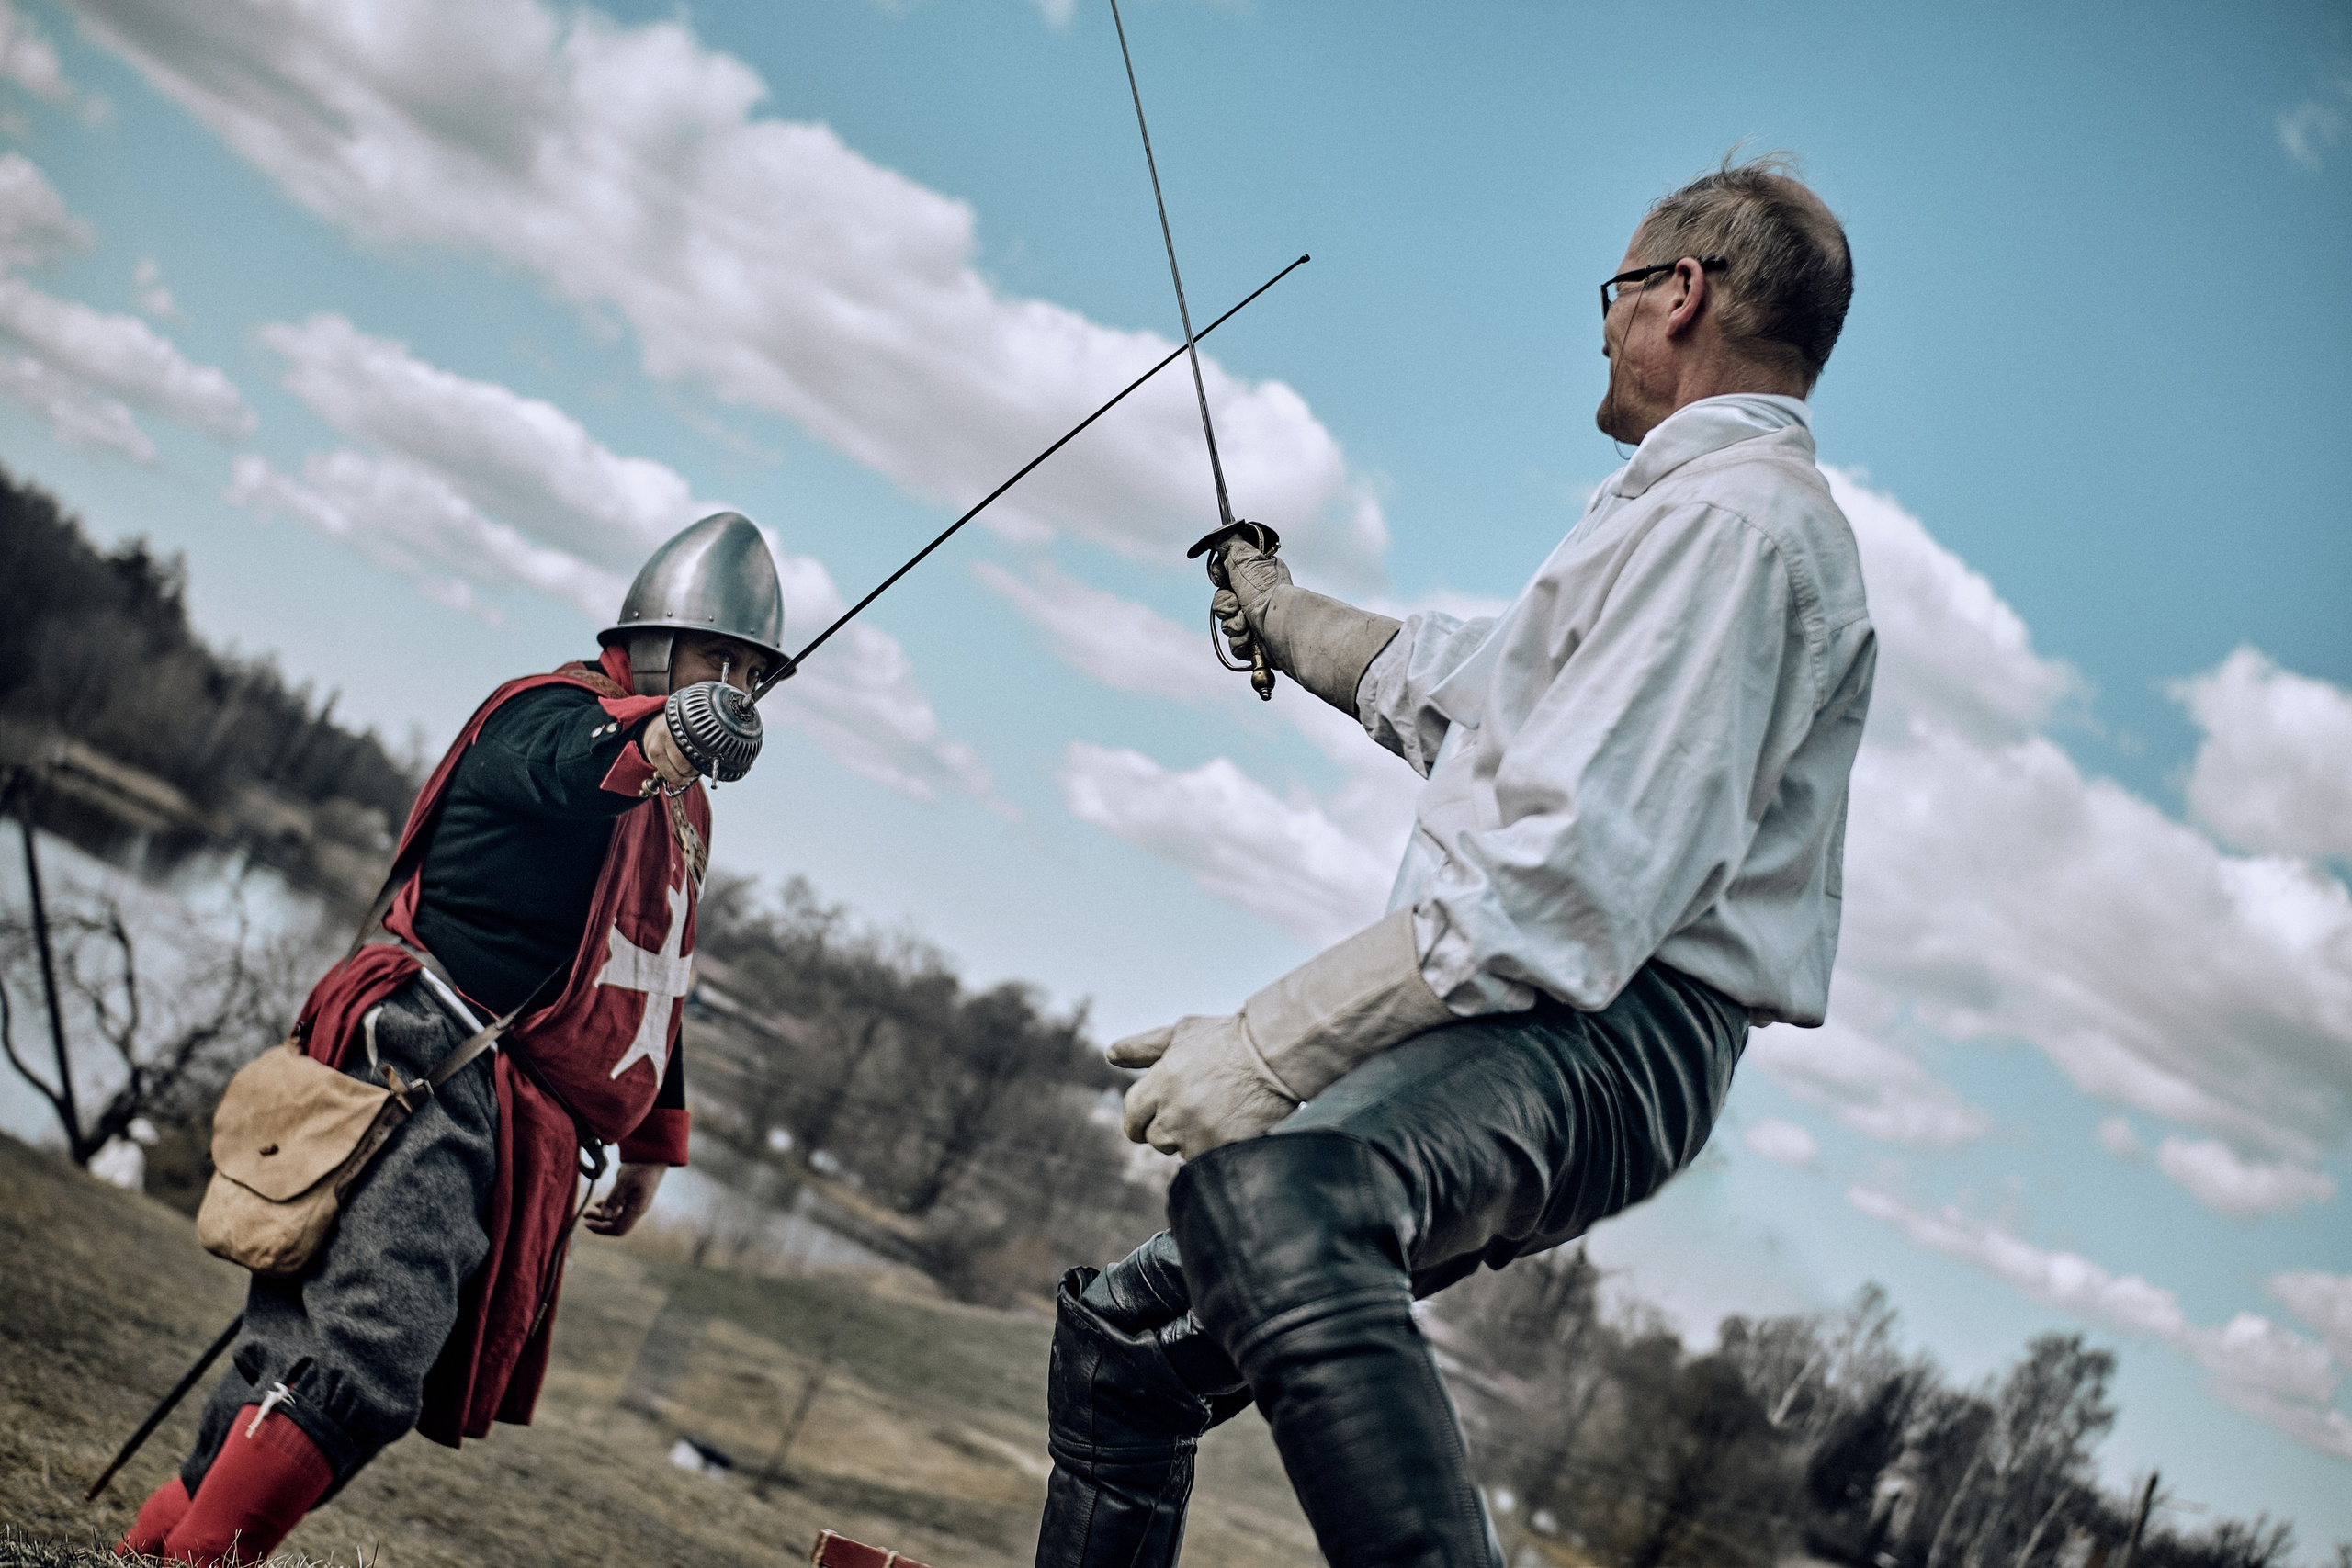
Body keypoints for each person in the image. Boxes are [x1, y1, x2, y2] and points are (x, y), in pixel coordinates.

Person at [1033, 155, 1873, 1568]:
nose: (1601, 326)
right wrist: (1274, 602)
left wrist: (1271, 1043)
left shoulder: (1734, 528)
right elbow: (1454, 689)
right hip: (1538, 1011)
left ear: (1680, 294)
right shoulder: (1680, 522)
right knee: (1129, 1350)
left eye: (1614, 292)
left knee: (1280, 1198)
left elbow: (1563, 884)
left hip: (1609, 1026)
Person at [116, 513, 786, 1565]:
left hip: (517, 1105)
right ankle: (200, 1555)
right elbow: (573, 767)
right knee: (369, 1348)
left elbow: (649, 973)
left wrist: (653, 1139)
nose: (736, 690)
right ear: (653, 643)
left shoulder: (685, 810)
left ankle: (159, 1542)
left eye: (753, 674)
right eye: (718, 660)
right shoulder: (544, 715)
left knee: (316, 1349)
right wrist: (654, 741)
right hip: (432, 1057)